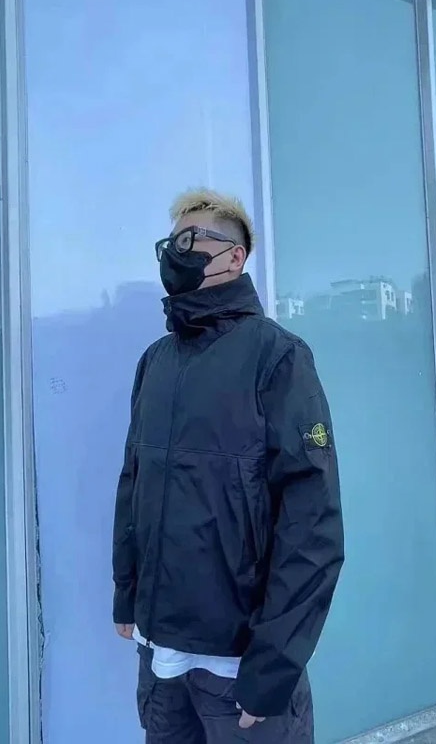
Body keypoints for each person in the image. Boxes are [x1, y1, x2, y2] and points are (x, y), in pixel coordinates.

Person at [112, 188, 344, 743]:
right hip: (160, 657)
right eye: (172, 242)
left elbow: (312, 523)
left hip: (239, 665)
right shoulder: (155, 361)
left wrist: (273, 667)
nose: (177, 253)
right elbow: (134, 483)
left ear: (235, 257)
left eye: (191, 240)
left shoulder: (278, 356)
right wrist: (127, 593)